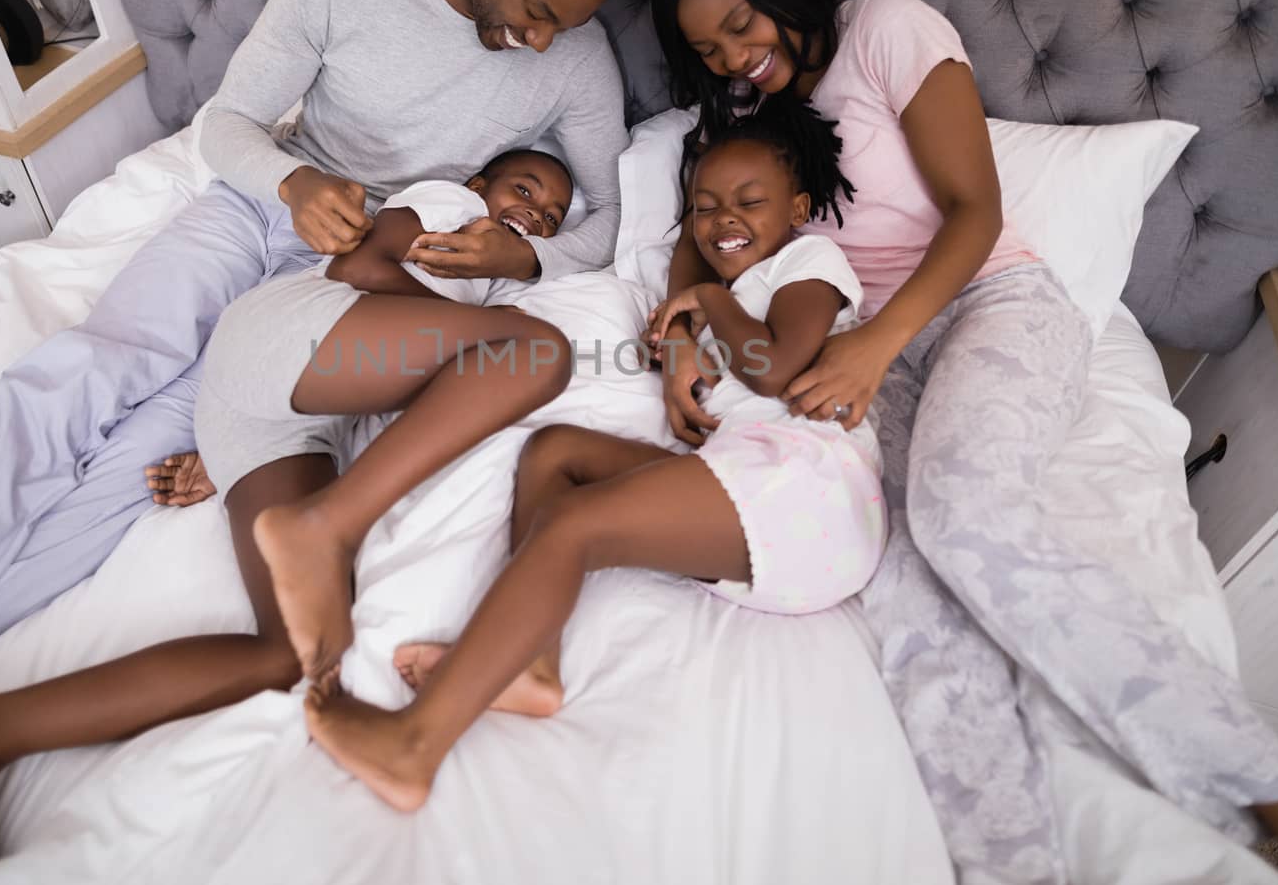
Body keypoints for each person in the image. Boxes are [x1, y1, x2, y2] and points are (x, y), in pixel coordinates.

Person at [0, 0, 628, 868]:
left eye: (564, 24)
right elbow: (225, 123)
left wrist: (525, 253)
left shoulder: (577, 57)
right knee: (78, 387)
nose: (545, 39)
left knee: (128, 480)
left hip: (351, 286)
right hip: (262, 215)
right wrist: (293, 183)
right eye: (536, 11)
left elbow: (602, 222)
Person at [646, 0, 1278, 885]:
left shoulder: (885, 27)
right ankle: (1013, 863)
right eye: (705, 49)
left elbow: (975, 210)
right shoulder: (748, 108)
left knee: (963, 509)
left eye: (738, 26)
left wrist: (877, 346)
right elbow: (691, 229)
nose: (730, 59)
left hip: (988, 300)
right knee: (901, 587)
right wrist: (681, 335)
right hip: (856, 341)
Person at [0, 150, 576, 884]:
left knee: (292, 656)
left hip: (288, 414)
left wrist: (516, 278)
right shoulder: (442, 206)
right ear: (477, 186)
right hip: (292, 331)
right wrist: (480, 322)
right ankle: (326, 523)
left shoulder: (503, 269)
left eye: (550, 216)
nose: (533, 211)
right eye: (523, 189)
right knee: (538, 349)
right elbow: (364, 269)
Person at [303, 104, 887, 811]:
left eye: (748, 202)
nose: (721, 218)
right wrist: (686, 324)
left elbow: (775, 363)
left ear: (797, 207)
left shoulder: (807, 261)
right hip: (756, 474)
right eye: (703, 205)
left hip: (812, 489)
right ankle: (530, 665)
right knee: (554, 452)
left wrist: (702, 297)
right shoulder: (727, 292)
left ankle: (414, 745)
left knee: (576, 525)